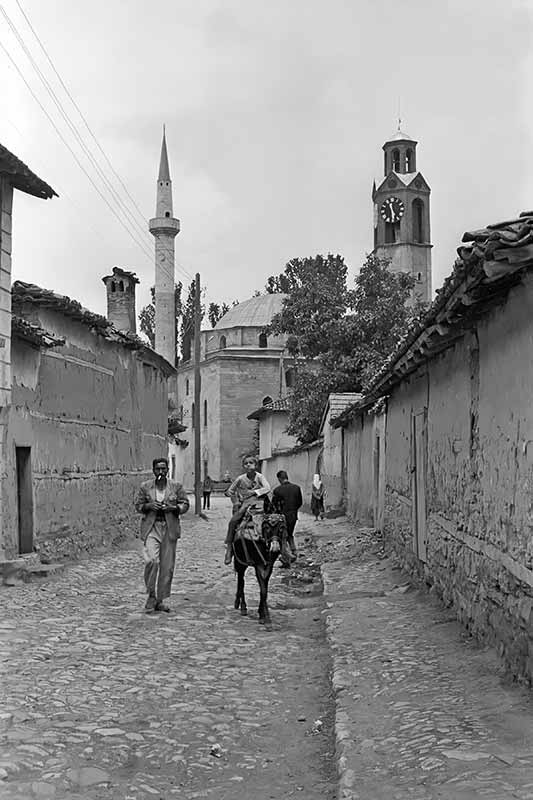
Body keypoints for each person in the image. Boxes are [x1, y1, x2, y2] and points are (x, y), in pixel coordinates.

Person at [135, 458, 189, 613]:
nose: (161, 472)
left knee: (167, 566)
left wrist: (174, 508)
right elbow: (138, 505)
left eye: (163, 469)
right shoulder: (145, 487)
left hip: (169, 528)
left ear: (167, 470)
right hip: (152, 527)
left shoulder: (176, 486)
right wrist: (148, 506)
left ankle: (159, 600)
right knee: (152, 560)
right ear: (153, 470)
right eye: (158, 469)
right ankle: (151, 594)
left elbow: (185, 504)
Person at [224, 455, 270, 565]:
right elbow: (230, 491)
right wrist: (235, 501)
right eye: (246, 463)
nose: (248, 465)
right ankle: (229, 548)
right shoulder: (240, 479)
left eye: (251, 463)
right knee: (233, 522)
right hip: (245, 505)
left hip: (260, 504)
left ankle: (283, 549)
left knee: (275, 522)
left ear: (256, 465)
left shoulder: (260, 477)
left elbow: (267, 488)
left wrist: (254, 492)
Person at [273, 470, 303, 567]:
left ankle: (286, 559)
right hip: (293, 516)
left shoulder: (277, 490)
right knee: (290, 534)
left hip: (282, 517)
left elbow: (274, 505)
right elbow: (300, 502)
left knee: (283, 537)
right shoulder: (296, 488)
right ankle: (294, 552)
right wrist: (293, 510)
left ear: (279, 479)